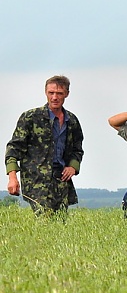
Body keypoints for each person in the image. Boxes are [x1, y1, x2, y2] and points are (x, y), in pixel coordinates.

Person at [5, 75, 84, 215]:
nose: (55, 97)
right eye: (51, 93)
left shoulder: (72, 120)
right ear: (45, 93)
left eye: (59, 93)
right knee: (44, 219)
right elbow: (13, 148)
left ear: (66, 94)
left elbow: (77, 149)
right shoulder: (30, 118)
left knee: (60, 224)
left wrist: (73, 166)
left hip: (61, 180)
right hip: (36, 181)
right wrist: (12, 178)